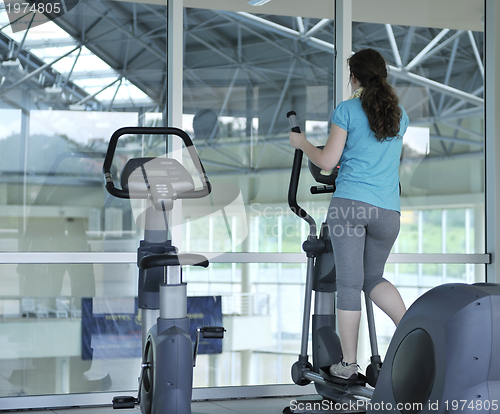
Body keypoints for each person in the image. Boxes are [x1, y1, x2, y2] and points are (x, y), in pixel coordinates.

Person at [289, 48, 409, 381]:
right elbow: (375, 155)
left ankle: (349, 364)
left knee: (349, 284)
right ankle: (415, 331)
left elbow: (327, 162)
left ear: (354, 77)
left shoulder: (347, 110)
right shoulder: (400, 114)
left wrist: (301, 143)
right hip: (389, 211)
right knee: (374, 279)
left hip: (351, 207)